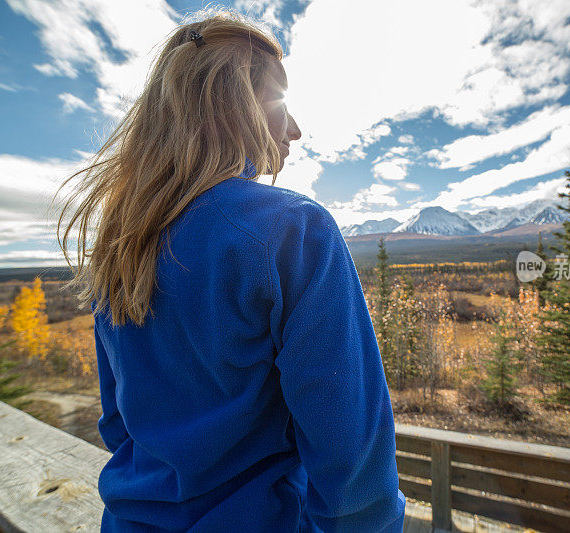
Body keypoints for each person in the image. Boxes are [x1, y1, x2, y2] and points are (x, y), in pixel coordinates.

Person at [54, 9, 406, 532]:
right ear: (235, 104)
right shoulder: (292, 231)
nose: (296, 128)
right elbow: (352, 460)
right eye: (280, 101)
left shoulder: (121, 246)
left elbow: (119, 423)